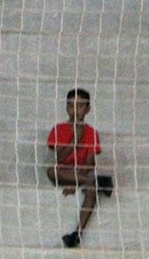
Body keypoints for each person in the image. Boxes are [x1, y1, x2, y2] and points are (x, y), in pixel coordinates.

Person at [46, 87, 113, 248]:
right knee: (51, 171)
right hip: (64, 173)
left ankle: (77, 234)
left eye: (80, 106)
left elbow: (89, 163)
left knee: (91, 192)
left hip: (82, 174)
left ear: (88, 109)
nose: (75, 110)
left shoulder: (91, 133)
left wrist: (76, 182)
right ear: (66, 108)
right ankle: (97, 181)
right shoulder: (58, 129)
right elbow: (59, 158)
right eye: (71, 105)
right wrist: (75, 140)